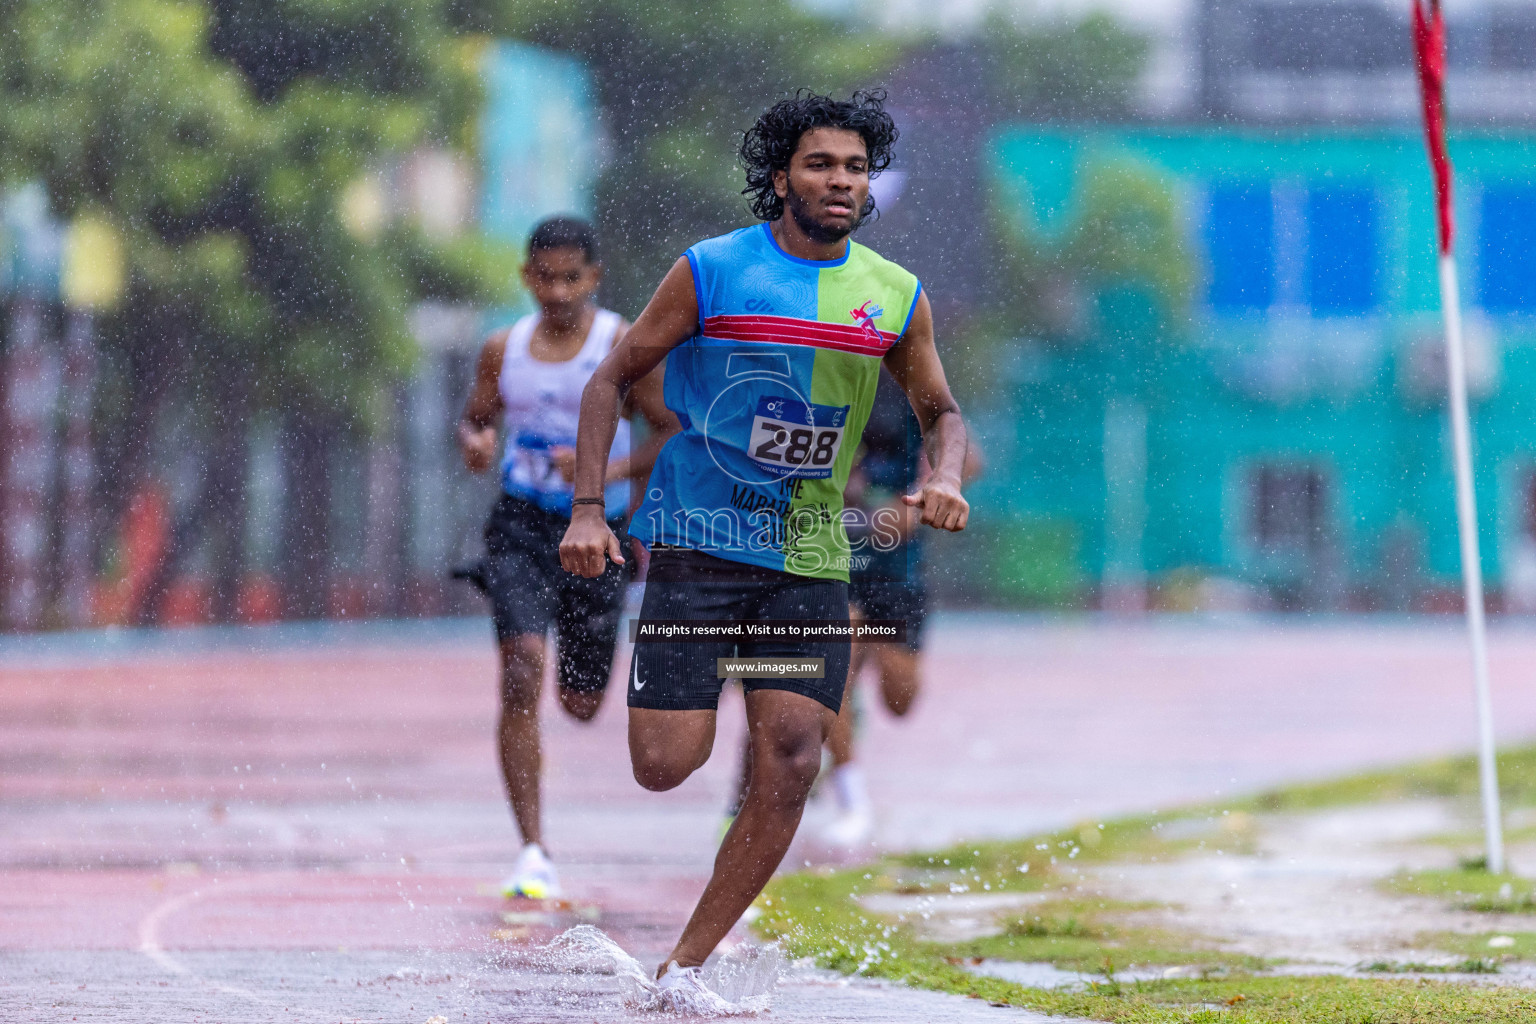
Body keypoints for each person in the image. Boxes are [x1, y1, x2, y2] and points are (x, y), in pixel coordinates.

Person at [559, 91, 971, 1011]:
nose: (840, 182)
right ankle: (725, 674)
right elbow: (610, 379)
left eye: (856, 168)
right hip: (701, 555)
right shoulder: (712, 271)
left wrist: (943, 477)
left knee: (790, 758)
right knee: (664, 765)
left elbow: (942, 410)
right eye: (821, 164)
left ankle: (686, 967)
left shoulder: (894, 295)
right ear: (782, 174)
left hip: (808, 561)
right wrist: (590, 510)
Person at [457, 216, 676, 901]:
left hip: (599, 536)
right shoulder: (503, 348)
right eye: (544, 276)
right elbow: (477, 416)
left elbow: (671, 435)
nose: (556, 290)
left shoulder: (620, 344)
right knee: (521, 668)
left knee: (580, 704)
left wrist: (603, 472)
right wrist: (476, 442)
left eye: (570, 276)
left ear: (594, 277)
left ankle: (538, 836)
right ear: (526, 276)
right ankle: (532, 850)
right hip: (520, 528)